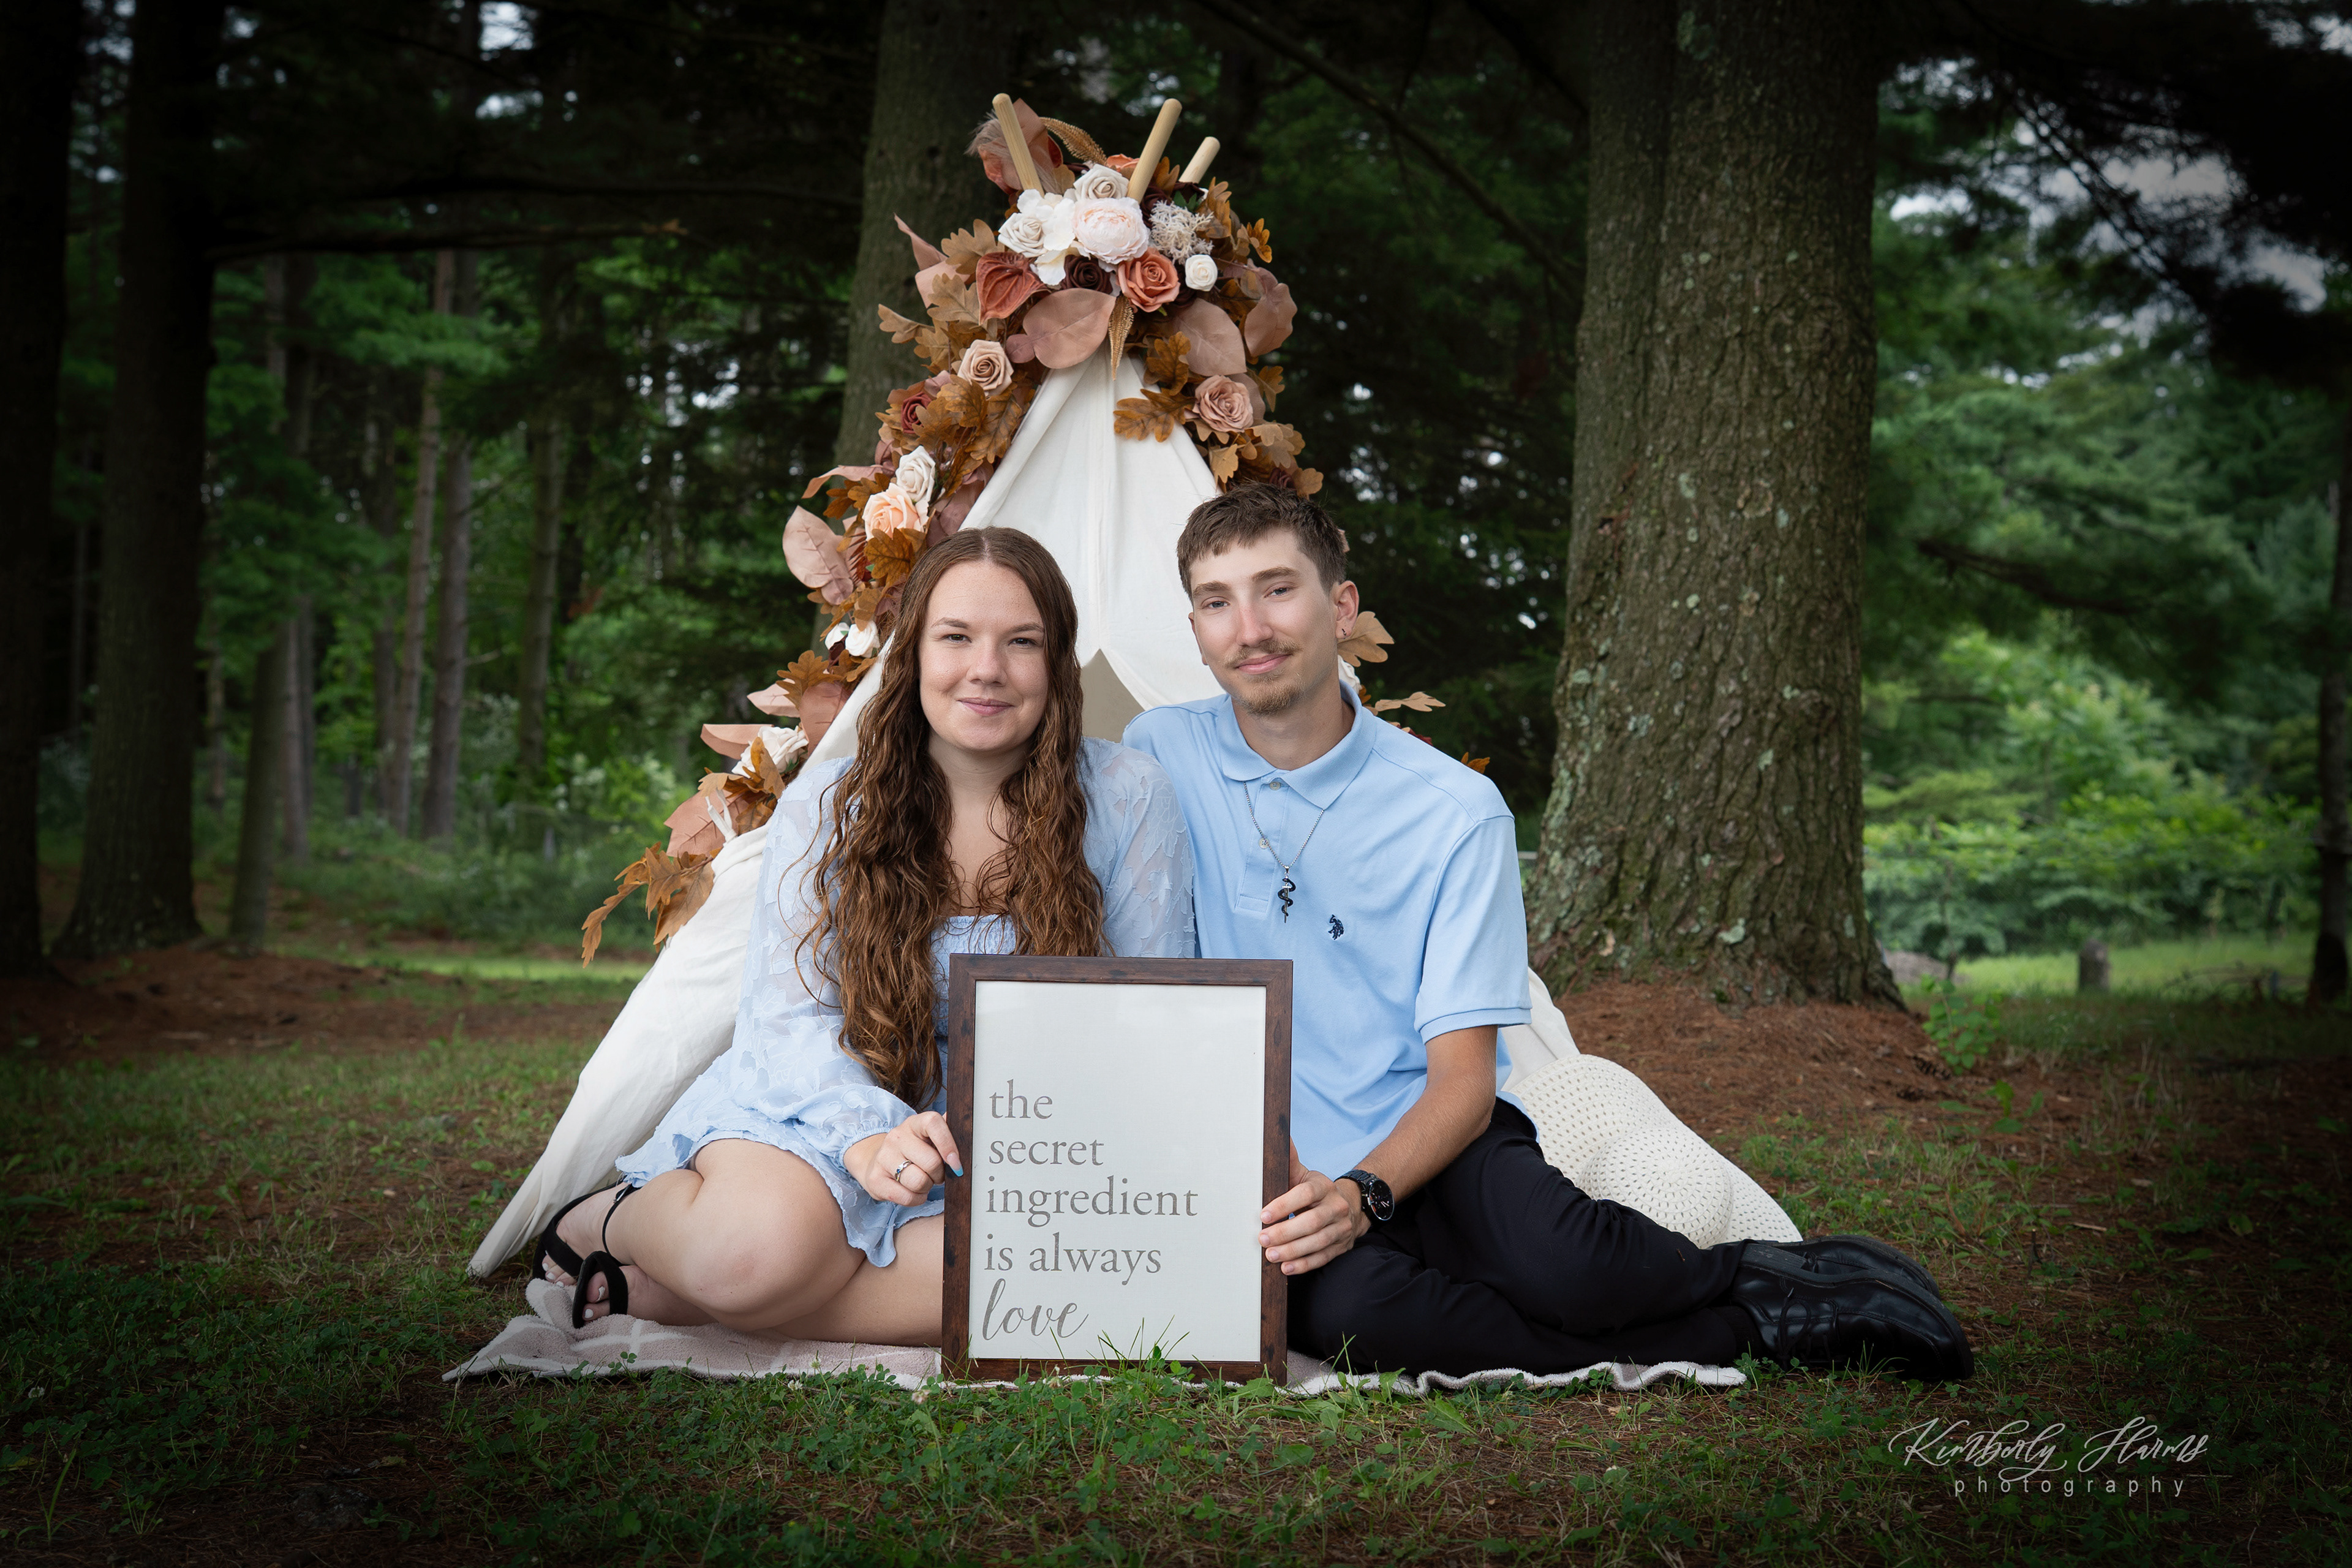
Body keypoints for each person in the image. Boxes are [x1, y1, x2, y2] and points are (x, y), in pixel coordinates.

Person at [1123, 485, 1971, 1380]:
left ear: (1341, 606)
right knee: (1358, 1318)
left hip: (1432, 1139)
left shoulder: (1453, 810)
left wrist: (1363, 1194)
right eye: (1218, 602)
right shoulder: (1158, 756)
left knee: (1578, 1273)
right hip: (1271, 1166)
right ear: (1195, 629)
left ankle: (1773, 1269)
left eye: (1276, 589)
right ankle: (1759, 1320)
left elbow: (1463, 1083)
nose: (1249, 627)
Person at [535, 527, 1195, 1338]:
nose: (986, 669)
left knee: (1113, 1272)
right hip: (827, 1106)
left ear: (1056, 662)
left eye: (1020, 643)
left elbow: (1155, 1012)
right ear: (912, 654)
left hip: (1027, 1142)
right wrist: (869, 1137)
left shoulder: (1130, 794)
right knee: (752, 1253)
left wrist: (1059, 1150)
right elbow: (786, 1020)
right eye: (955, 638)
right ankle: (603, 1222)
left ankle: (685, 1300)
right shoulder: (832, 804)